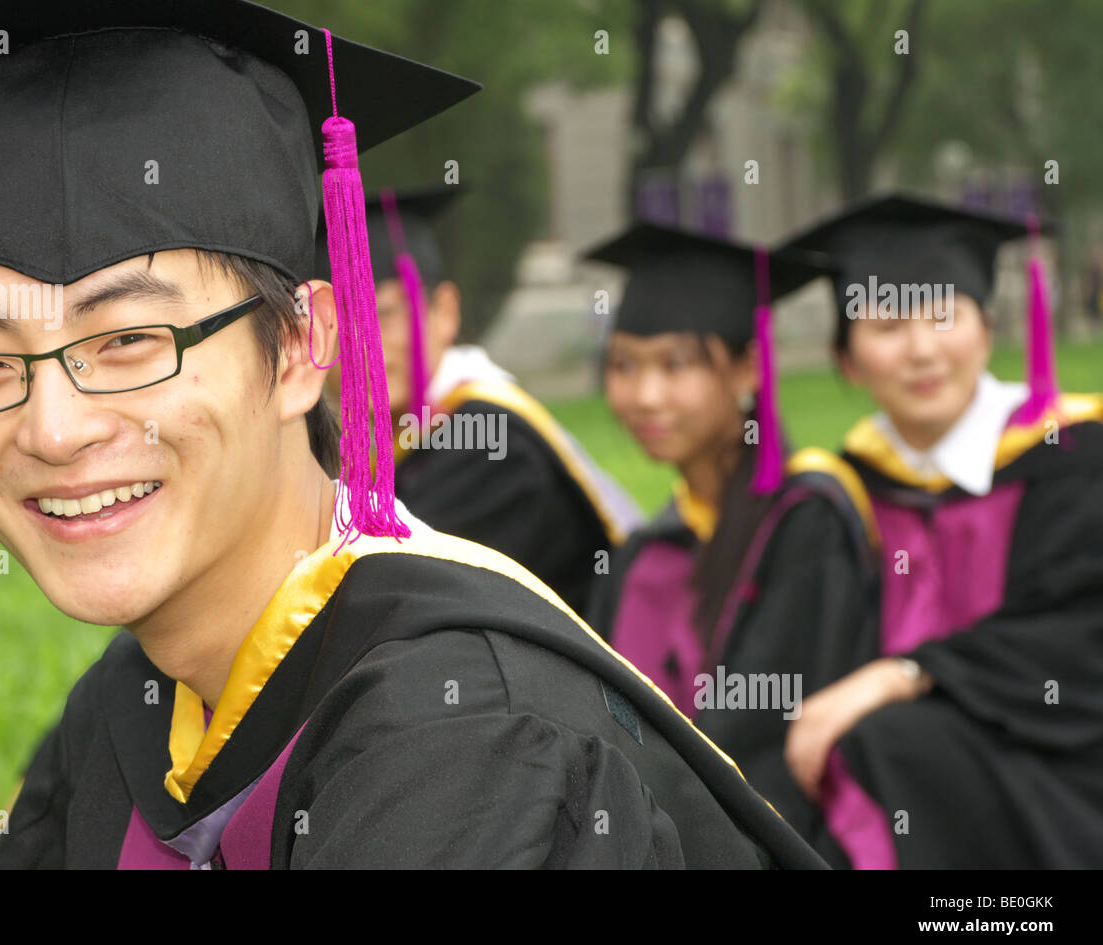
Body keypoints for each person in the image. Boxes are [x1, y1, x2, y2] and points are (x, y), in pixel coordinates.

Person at [0, 1, 828, 868]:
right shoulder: (128, 709)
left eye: (128, 340)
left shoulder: (466, 738)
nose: (53, 426)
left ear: (300, 348)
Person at [780, 192, 1103, 868]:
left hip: (1064, 769)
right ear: (846, 360)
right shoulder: (843, 488)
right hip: (887, 768)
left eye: (943, 316)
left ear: (987, 329)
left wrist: (906, 675)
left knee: (889, 741)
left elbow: (1076, 635)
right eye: (889, 327)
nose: (922, 350)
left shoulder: (1074, 455)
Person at [582, 222, 879, 867]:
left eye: (676, 365)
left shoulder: (808, 519)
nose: (645, 395)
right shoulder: (640, 552)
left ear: (747, 368)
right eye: (624, 366)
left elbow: (766, 745)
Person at [315, 184, 642, 615]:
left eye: (385, 313)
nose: (361, 345)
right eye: (339, 324)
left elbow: (382, 589)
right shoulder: (378, 446)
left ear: (445, 312)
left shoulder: (490, 446)